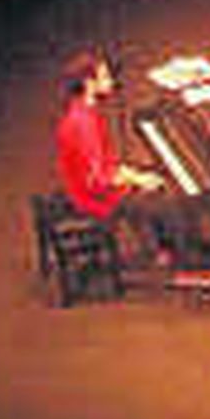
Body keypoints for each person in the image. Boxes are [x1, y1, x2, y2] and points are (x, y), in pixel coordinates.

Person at [54, 51, 178, 264]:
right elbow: (99, 179)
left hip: (90, 186)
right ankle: (167, 253)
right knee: (162, 195)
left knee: (149, 175)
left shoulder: (83, 111)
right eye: (105, 77)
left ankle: (161, 245)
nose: (111, 81)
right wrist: (137, 180)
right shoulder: (83, 122)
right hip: (94, 198)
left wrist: (131, 173)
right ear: (89, 83)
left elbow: (102, 164)